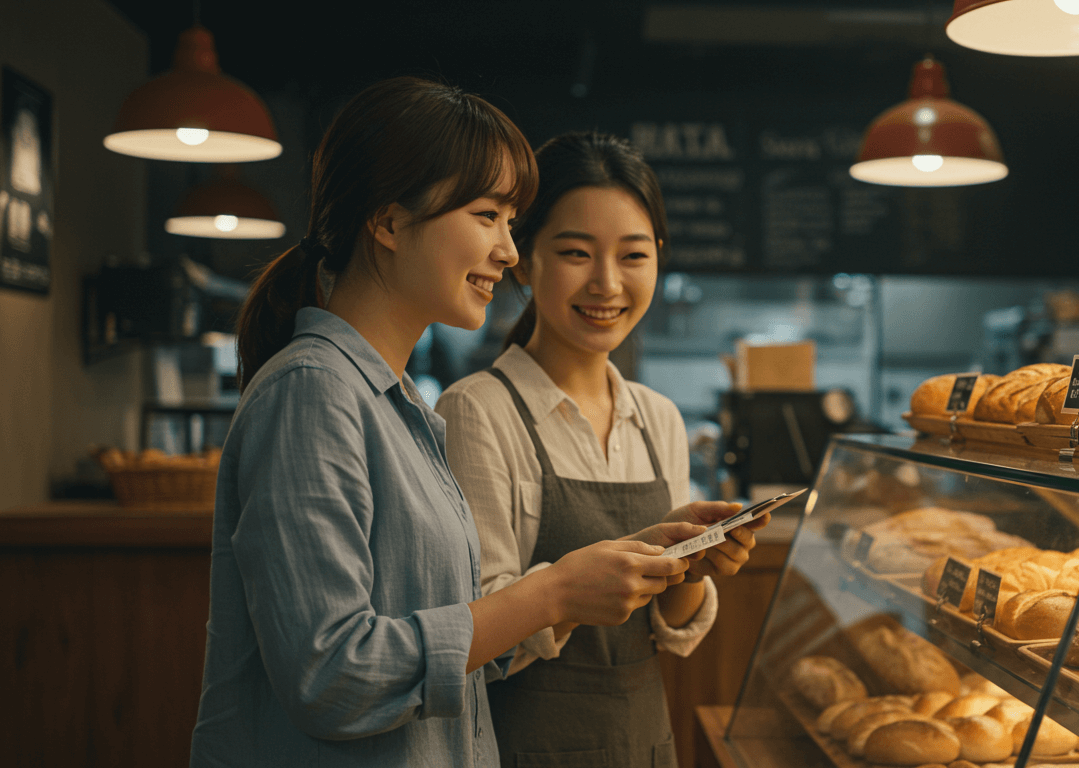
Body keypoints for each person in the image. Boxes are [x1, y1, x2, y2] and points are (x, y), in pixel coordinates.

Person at [189, 80, 726, 768]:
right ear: (386, 223)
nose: (508, 251)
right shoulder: (311, 394)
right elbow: (331, 677)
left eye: (511, 221)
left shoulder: (398, 404)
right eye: (488, 215)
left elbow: (455, 646)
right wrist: (554, 589)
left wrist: (618, 569)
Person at [436, 132, 769, 767]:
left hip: (644, 745)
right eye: (576, 253)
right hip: (524, 748)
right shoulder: (476, 410)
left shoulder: (658, 418)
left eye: (634, 255)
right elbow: (474, 636)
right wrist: (568, 591)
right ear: (525, 259)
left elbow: (670, 634)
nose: (607, 283)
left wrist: (690, 570)